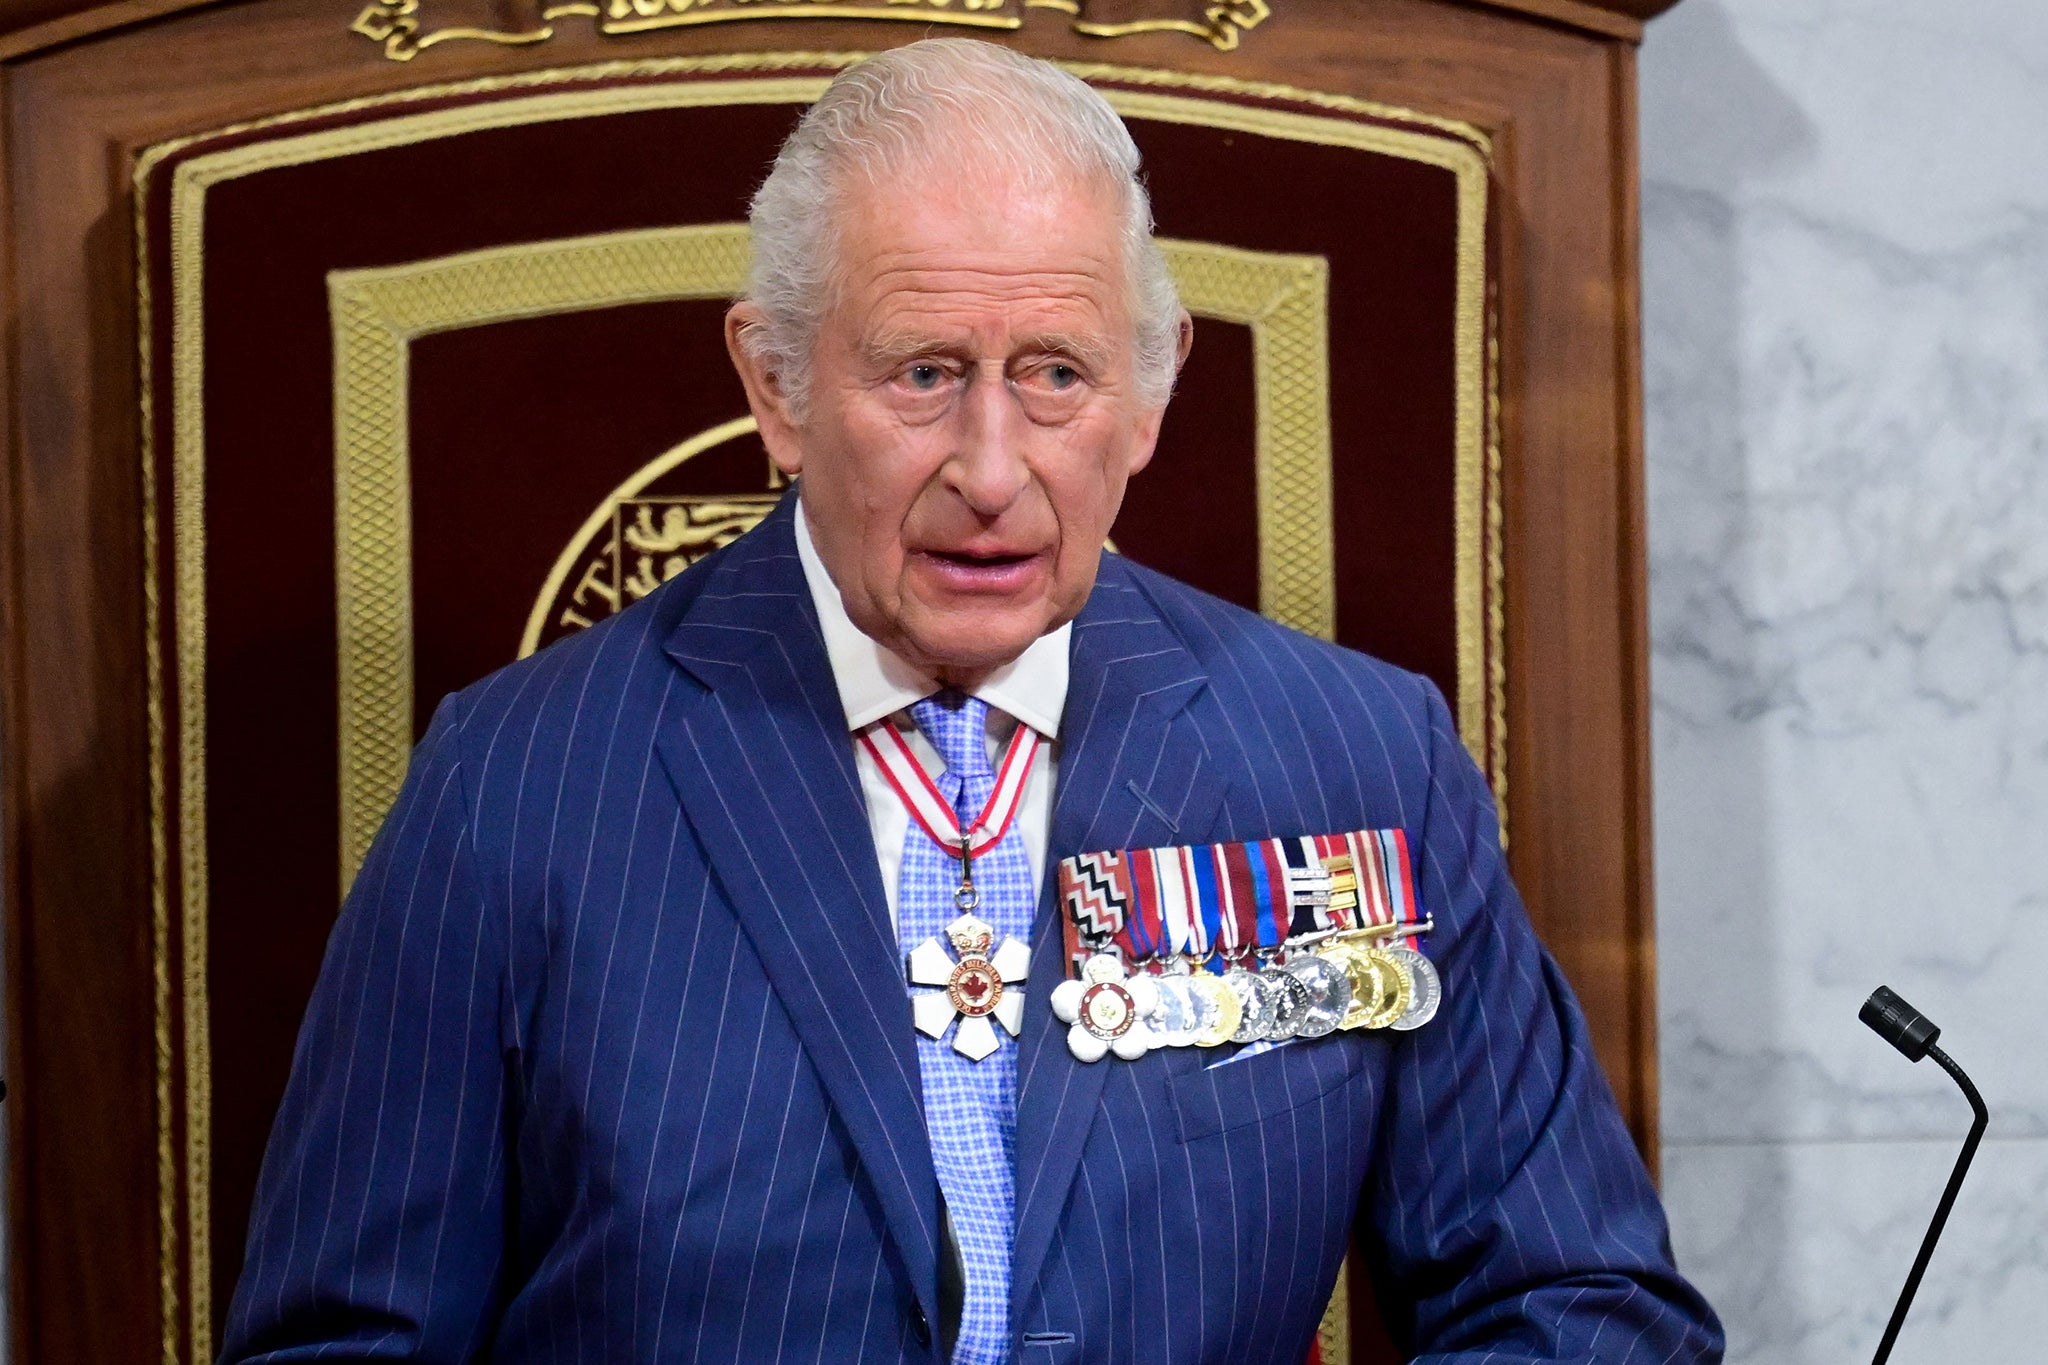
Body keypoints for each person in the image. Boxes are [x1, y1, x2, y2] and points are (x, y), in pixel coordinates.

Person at [221, 38, 1722, 1365]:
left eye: (1057, 374)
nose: (992, 470)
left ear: (1151, 391)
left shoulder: (1357, 760)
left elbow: (1583, 1305)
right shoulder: (517, 784)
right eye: (924, 372)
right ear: (778, 382)